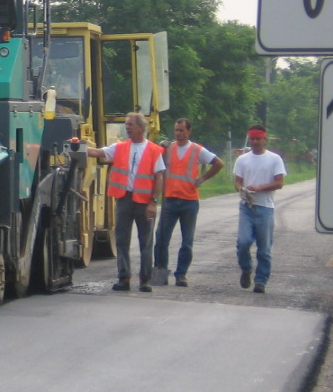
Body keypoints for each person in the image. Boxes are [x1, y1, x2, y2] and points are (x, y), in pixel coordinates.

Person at [87, 112, 166, 293]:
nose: (127, 127)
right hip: (124, 199)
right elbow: (98, 152)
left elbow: (159, 177)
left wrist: (153, 202)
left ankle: (144, 280)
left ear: (140, 127)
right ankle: (124, 278)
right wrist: (77, 147)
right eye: (127, 124)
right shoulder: (120, 147)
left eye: (130, 124)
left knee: (145, 242)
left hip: (144, 202)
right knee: (122, 241)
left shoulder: (154, 150)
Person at [153, 118, 225, 287]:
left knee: (187, 241)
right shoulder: (168, 148)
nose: (178, 133)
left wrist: (202, 179)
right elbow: (154, 158)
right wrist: (160, 147)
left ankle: (181, 275)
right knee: (161, 238)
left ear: (189, 132)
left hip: (189, 201)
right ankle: (160, 273)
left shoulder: (197, 150)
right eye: (176, 130)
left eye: (181, 130)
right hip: (169, 199)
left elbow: (219, 163)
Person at [233, 124, 286, 294]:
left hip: (265, 208)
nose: (255, 142)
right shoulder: (242, 159)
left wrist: (260, 187)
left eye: (258, 139)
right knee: (243, 242)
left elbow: (279, 182)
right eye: (253, 139)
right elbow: (237, 181)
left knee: (264, 249)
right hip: (247, 207)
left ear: (265, 139)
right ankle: (246, 268)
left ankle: (261, 281)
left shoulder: (274, 159)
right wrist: (241, 189)